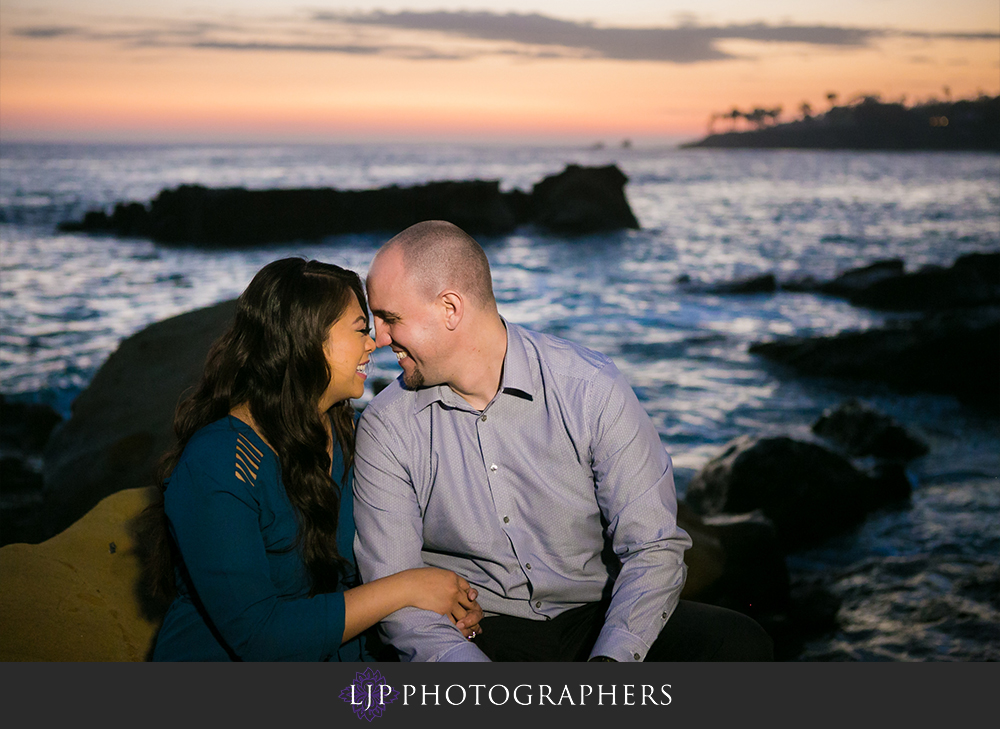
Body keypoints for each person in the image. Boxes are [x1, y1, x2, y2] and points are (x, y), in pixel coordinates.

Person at [353, 221, 774, 662]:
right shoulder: (388, 426)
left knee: (739, 642)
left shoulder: (589, 387)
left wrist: (610, 663)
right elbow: (399, 598)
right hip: (481, 634)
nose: (378, 339)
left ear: (451, 309)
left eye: (389, 318)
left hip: (594, 617)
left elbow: (653, 546)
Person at [142, 257, 483, 661]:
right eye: (360, 331)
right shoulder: (217, 463)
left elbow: (383, 560)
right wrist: (408, 589)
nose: (375, 344)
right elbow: (260, 637)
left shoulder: (349, 434)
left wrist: (446, 602)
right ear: (306, 339)